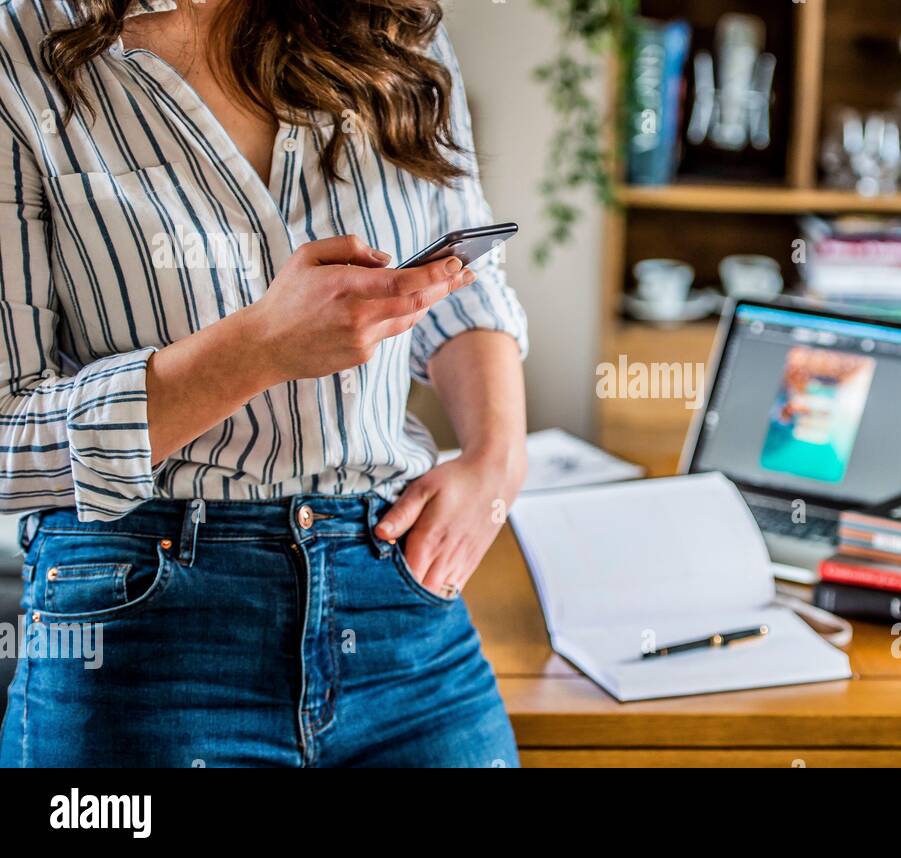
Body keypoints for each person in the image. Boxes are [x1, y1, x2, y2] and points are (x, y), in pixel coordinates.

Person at [0, 0, 527, 767]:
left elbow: (464, 283)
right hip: (140, 622)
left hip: (396, 592)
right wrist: (256, 348)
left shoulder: (391, 19)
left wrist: (497, 459)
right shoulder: (20, 45)